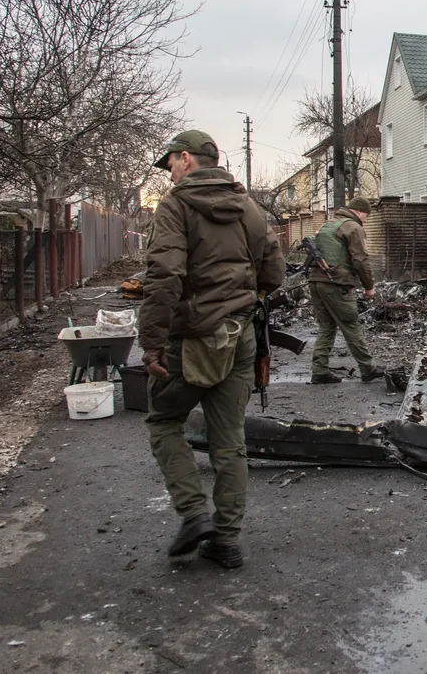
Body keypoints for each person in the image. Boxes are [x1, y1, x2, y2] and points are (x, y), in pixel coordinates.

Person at [138, 129, 285, 570]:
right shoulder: (249, 208)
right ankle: (226, 540)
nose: (168, 173)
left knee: (164, 422)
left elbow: (164, 276)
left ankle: (193, 514)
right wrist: (242, 297)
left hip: (190, 338)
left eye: (170, 164)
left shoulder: (176, 205)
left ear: (186, 159)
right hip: (239, 336)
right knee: (230, 440)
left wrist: (151, 343)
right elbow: (274, 272)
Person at [308, 197, 383, 384]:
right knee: (351, 325)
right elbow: (360, 260)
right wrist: (369, 286)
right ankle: (367, 368)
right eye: (366, 215)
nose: (366, 219)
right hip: (336, 283)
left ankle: (319, 370)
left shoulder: (329, 225)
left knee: (326, 327)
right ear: (359, 211)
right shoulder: (353, 227)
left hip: (316, 281)